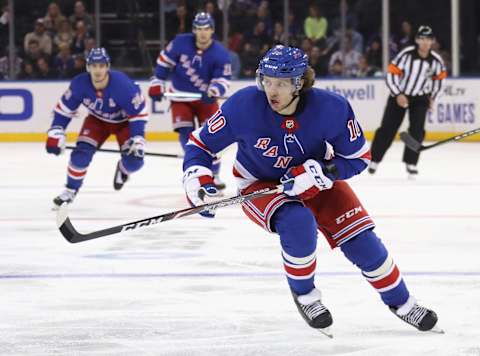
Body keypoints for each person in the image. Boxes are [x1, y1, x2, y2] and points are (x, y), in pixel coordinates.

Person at [182, 45, 440, 334]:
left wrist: (323, 172)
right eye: (266, 81)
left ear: (300, 83)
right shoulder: (242, 106)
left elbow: (358, 159)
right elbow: (200, 145)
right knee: (297, 222)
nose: (272, 91)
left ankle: (403, 303)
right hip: (260, 183)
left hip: (317, 179)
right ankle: (305, 295)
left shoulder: (331, 108)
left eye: (280, 83)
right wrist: (198, 181)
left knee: (363, 242)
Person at [46, 48, 148, 207]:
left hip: (125, 124)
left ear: (107, 66)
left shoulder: (123, 85)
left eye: (101, 65)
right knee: (80, 155)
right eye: (94, 66)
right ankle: (70, 190)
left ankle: (122, 169)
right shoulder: (79, 84)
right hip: (97, 121)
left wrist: (138, 138)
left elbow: (139, 114)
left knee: (135, 162)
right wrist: (56, 132)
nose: (97, 70)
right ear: (88, 67)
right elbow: (63, 110)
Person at [148, 12, 231, 190]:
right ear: (194, 30)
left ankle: (214, 174)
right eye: (199, 29)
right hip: (180, 97)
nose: (202, 33)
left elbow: (223, 78)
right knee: (186, 134)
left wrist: (213, 90)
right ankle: (196, 170)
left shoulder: (220, 54)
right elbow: (163, 64)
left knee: (212, 137)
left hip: (205, 100)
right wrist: (157, 83)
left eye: (206, 29)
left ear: (212, 30)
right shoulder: (179, 42)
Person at [369, 26, 446, 177]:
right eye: (422, 39)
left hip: (420, 98)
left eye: (428, 39)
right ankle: (374, 159)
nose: (425, 42)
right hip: (400, 95)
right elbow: (391, 73)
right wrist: (398, 93)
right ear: (417, 40)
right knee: (388, 128)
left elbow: (440, 81)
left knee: (417, 131)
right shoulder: (407, 55)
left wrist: (433, 98)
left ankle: (411, 162)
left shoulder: (436, 61)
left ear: (432, 41)